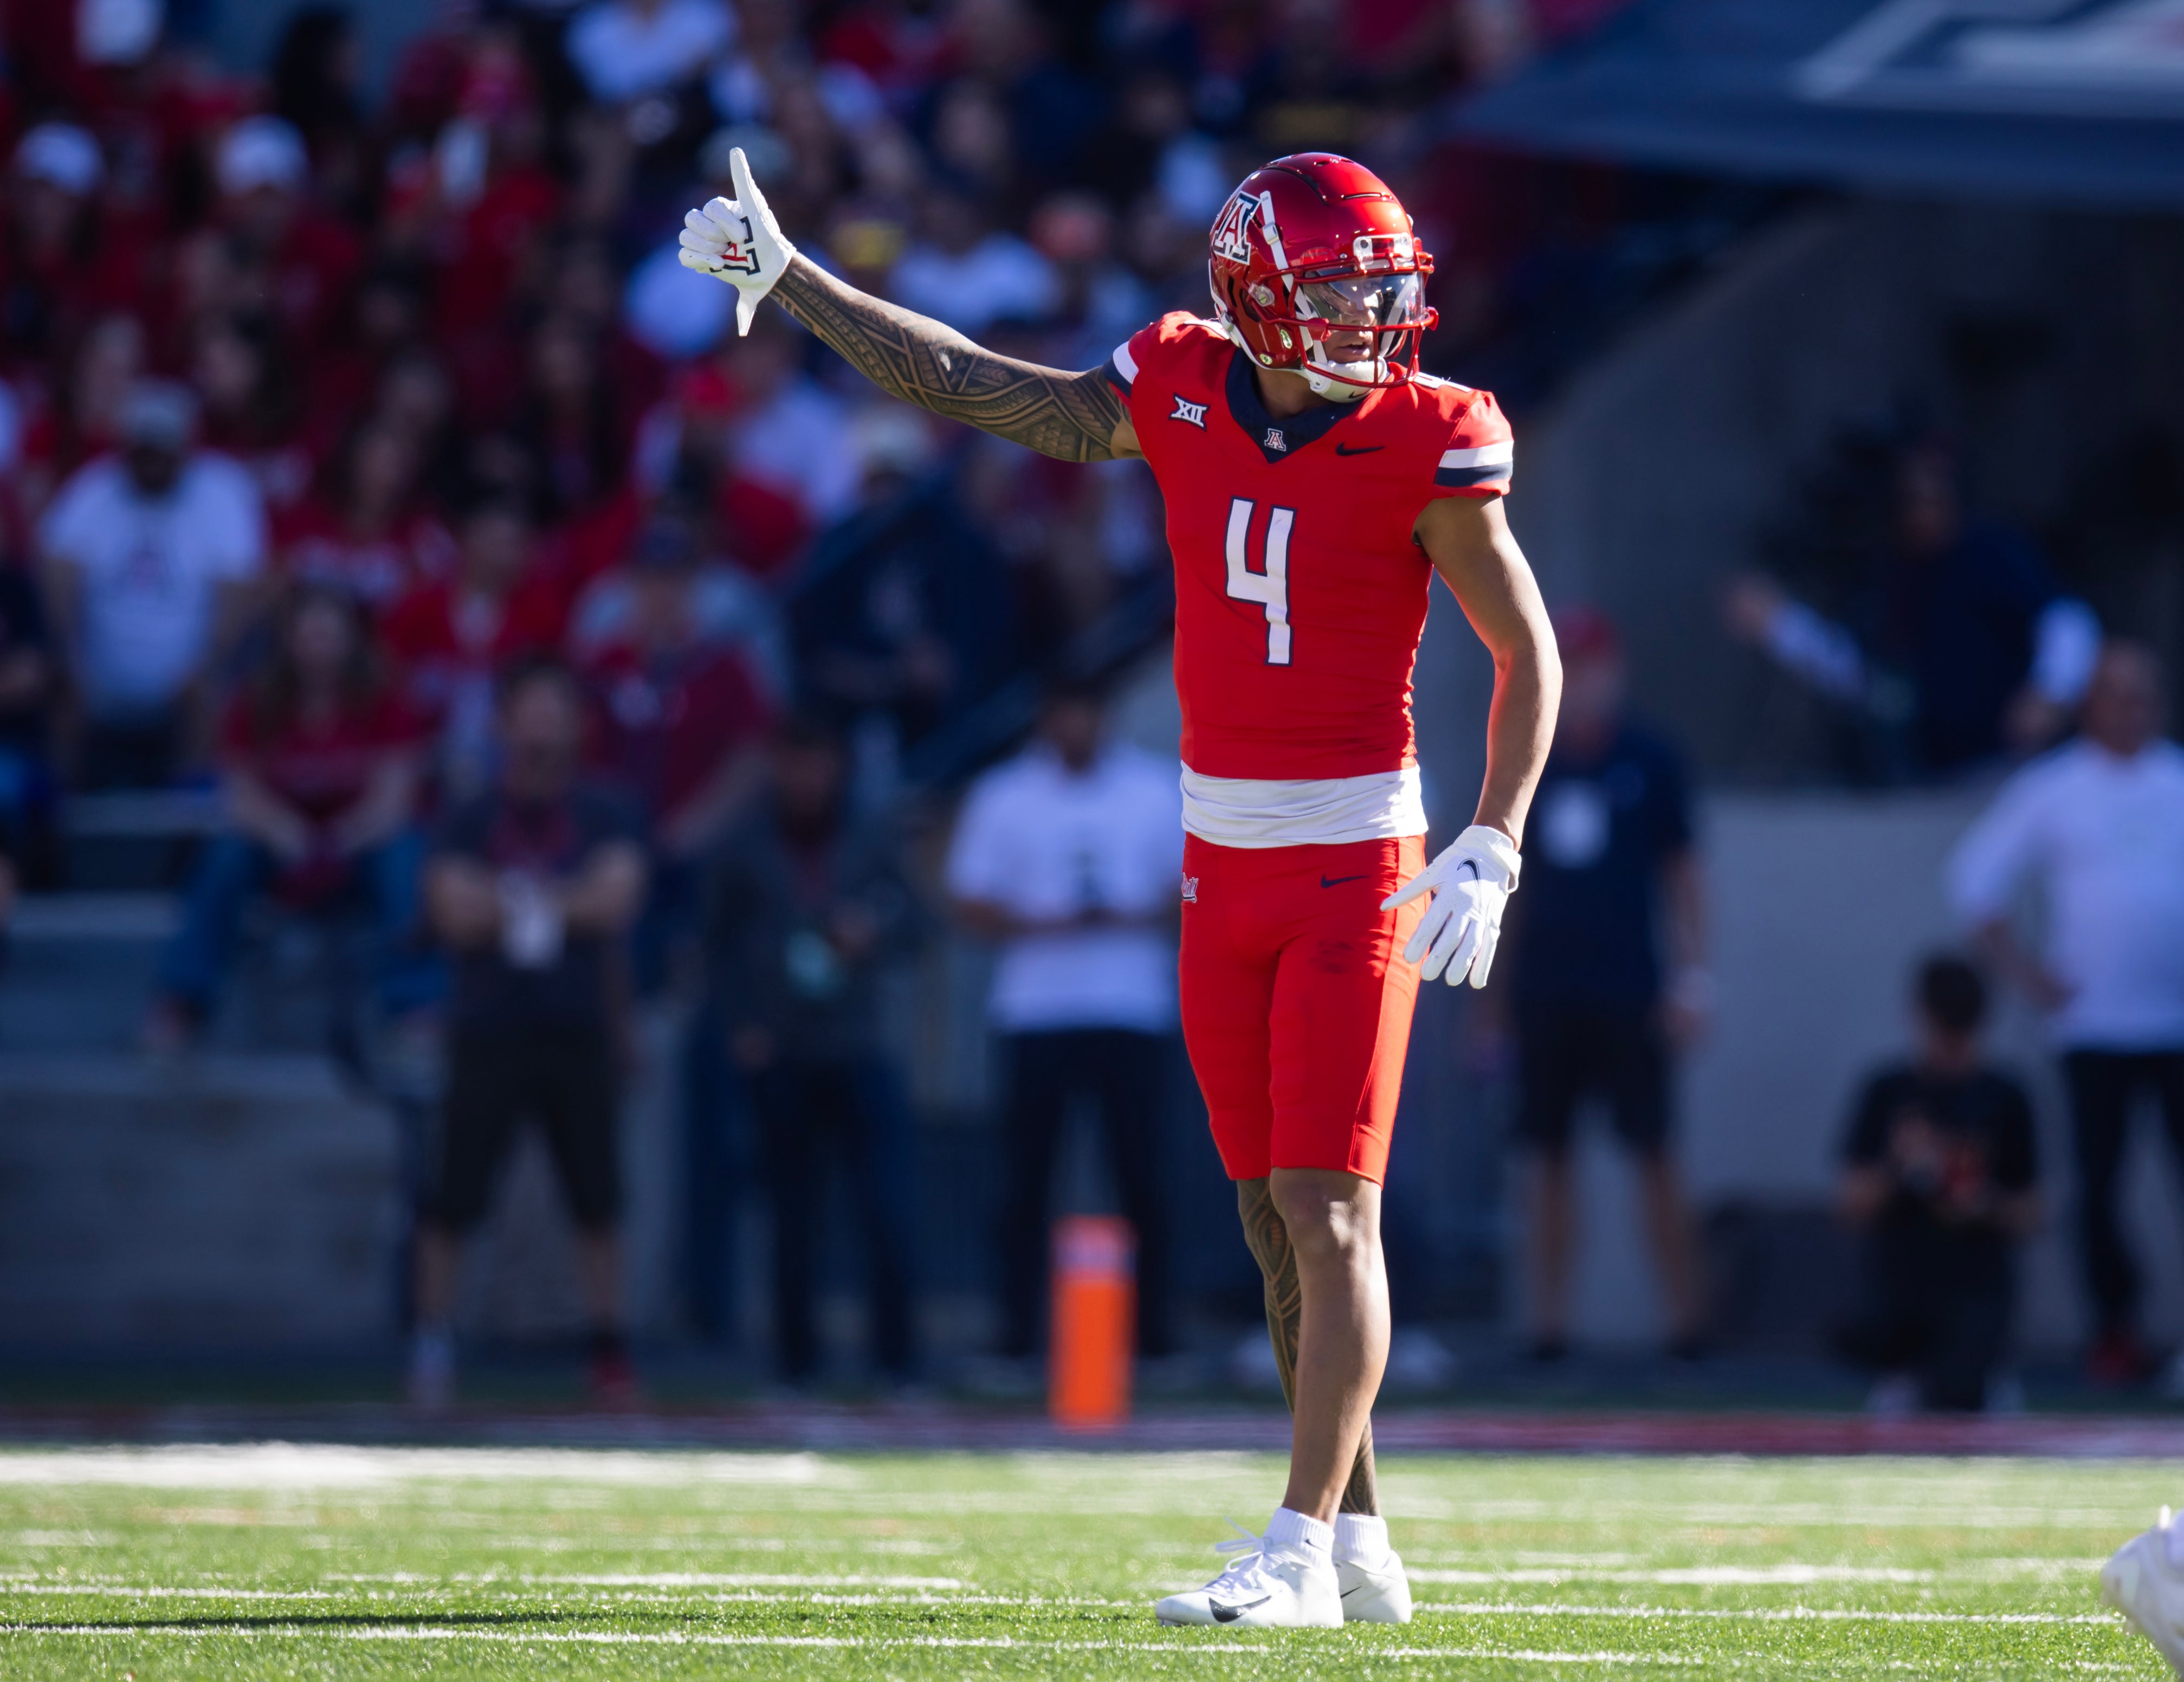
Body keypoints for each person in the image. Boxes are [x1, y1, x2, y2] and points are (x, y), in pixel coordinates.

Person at [681, 146, 1558, 1627]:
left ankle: (1290, 1541)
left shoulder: (1433, 435)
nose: (1371, 316)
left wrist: (1494, 835)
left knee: (1327, 1201)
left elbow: (1524, 649)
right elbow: (980, 384)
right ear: (1257, 298)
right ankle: (1353, 1534)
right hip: (1217, 859)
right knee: (1265, 1214)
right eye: (1338, 289)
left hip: (1356, 853)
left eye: (1377, 288)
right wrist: (795, 281)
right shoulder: (1176, 382)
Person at [409, 656, 649, 1410]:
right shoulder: (471, 815)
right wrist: (559, 899)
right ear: (504, 722)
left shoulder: (605, 810)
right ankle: (432, 1343)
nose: (545, 725)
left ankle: (607, 1346)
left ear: (578, 723)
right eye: (531, 709)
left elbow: (615, 901)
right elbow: (452, 908)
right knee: (452, 1195)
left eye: (558, 708)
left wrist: (510, 897)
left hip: (576, 1025)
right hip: (489, 1025)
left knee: (597, 1197)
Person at [1947, 641, 2184, 1390]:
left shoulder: (2176, 780)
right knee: (2100, 1187)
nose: (2128, 707)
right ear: (2090, 704)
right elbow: (1972, 880)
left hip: (2174, 1026)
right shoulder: (2054, 788)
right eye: (2113, 693)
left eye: (2140, 693)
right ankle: (2115, 1331)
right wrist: (2031, 977)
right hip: (2092, 1032)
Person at [945, 676, 1185, 1368]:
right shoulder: (1004, 794)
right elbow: (970, 899)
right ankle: (1017, 1335)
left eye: (1086, 711)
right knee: (1024, 1179)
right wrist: (1043, 920)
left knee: (1143, 1174)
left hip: (1130, 1008)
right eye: (1064, 712)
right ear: (1047, 718)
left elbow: (1194, 887)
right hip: (1036, 1009)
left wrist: (1126, 914)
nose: (1075, 725)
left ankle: (1154, 1338)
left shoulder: (1152, 787)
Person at [1493, 607, 1707, 1360]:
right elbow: (1506, 881)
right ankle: (1548, 1325)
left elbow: (1683, 876)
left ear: (1613, 669)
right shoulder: (1528, 754)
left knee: (1654, 1151)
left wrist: (1692, 979)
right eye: (1568, 665)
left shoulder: (1650, 758)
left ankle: (1686, 1322)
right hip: (1545, 987)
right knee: (1546, 1158)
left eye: (1590, 664)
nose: (1581, 680)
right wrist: (1490, 1001)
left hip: (1629, 987)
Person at [706, 714, 922, 1387]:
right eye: (796, 763)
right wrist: (740, 1024)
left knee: (886, 1207)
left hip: (856, 1043)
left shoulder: (867, 836)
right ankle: (794, 1360)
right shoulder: (744, 843)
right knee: (793, 1217)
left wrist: (872, 931)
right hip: (781, 1049)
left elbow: (917, 920)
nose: (808, 779)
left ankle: (897, 1361)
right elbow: (715, 945)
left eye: (820, 763)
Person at [146, 586, 430, 1048]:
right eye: (308, 633)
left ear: (351, 639)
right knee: (226, 854)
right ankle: (181, 1000)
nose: (318, 644)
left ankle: (417, 1007)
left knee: (406, 854)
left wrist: (338, 839)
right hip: (281, 844)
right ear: (288, 639)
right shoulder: (253, 701)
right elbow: (239, 795)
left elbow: (393, 800)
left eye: (328, 633)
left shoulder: (388, 700)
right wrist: (290, 834)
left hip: (358, 845)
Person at [1724, 438, 2099, 781]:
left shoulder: (1993, 552)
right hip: (1929, 776)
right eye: (1912, 498)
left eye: (1934, 494)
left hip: (2008, 770)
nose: (1924, 510)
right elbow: (1859, 675)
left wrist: (2051, 692)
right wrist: (1780, 626)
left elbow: (2066, 620)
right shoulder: (1888, 572)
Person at [1833, 955, 2040, 1414]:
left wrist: (1981, 1202)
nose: (1949, 1046)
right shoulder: (1887, 1091)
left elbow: (2033, 1212)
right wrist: (1899, 1162)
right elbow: (1851, 1204)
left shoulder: (2004, 1096)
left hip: (1975, 1285)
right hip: (1899, 1285)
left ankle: (1984, 1378)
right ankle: (1901, 1374)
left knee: (1963, 1385)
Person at [37, 380, 266, 787]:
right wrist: (71, 654)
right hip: (96, 675)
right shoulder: (94, 488)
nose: (152, 459)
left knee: (215, 695)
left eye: (163, 449)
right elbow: (57, 570)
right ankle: (58, 815)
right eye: (144, 447)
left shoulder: (221, 492)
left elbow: (240, 591)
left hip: (190, 675)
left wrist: (207, 664)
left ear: (186, 447)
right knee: (58, 686)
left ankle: (193, 818)